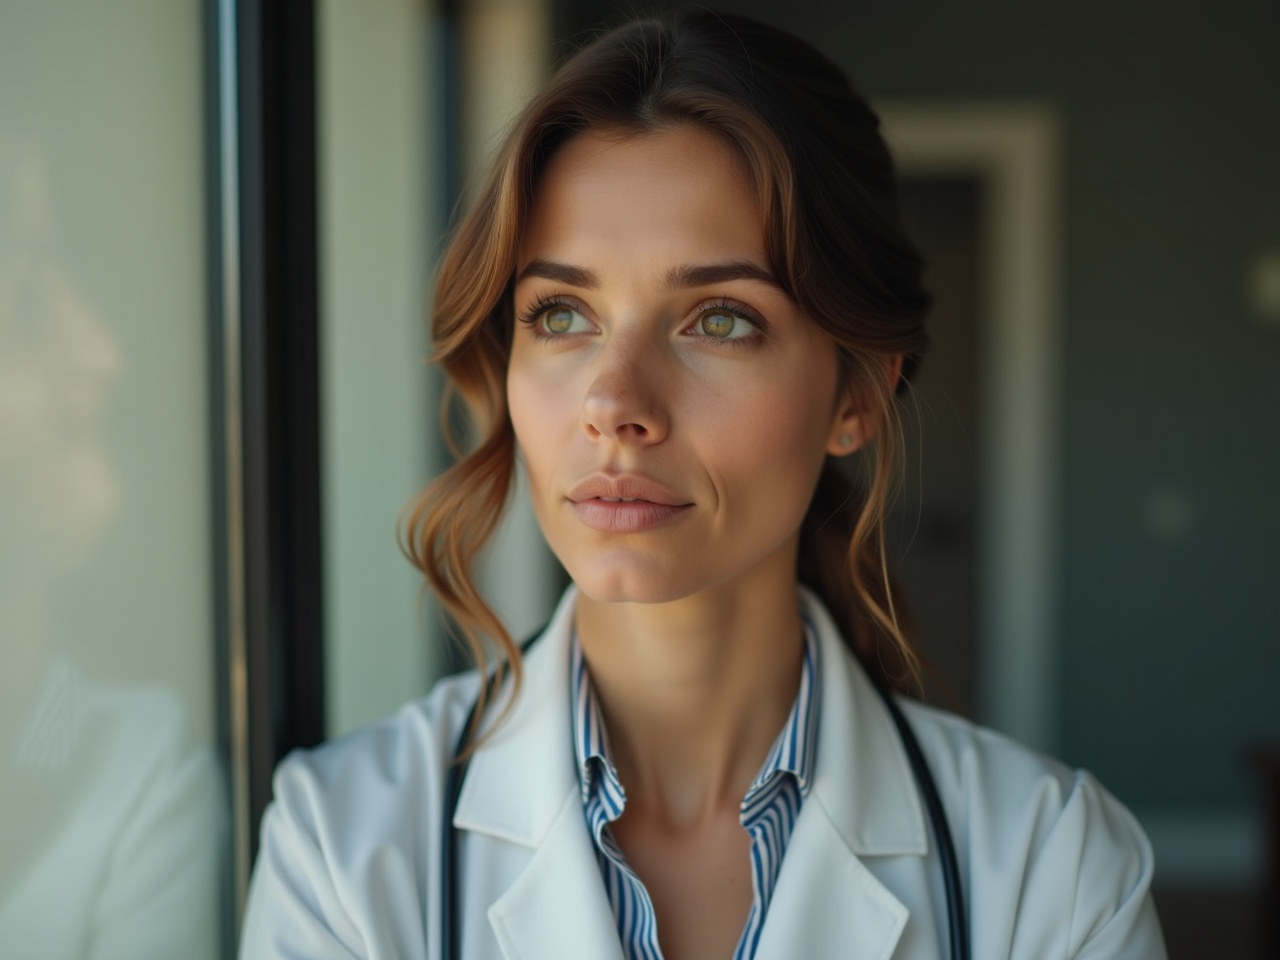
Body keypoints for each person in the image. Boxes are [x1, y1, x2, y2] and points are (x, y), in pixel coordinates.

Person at [238, 11, 1167, 960]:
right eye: (561, 313)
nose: (614, 402)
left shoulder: (1055, 869)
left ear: (856, 393)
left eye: (719, 321)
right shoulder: (340, 848)